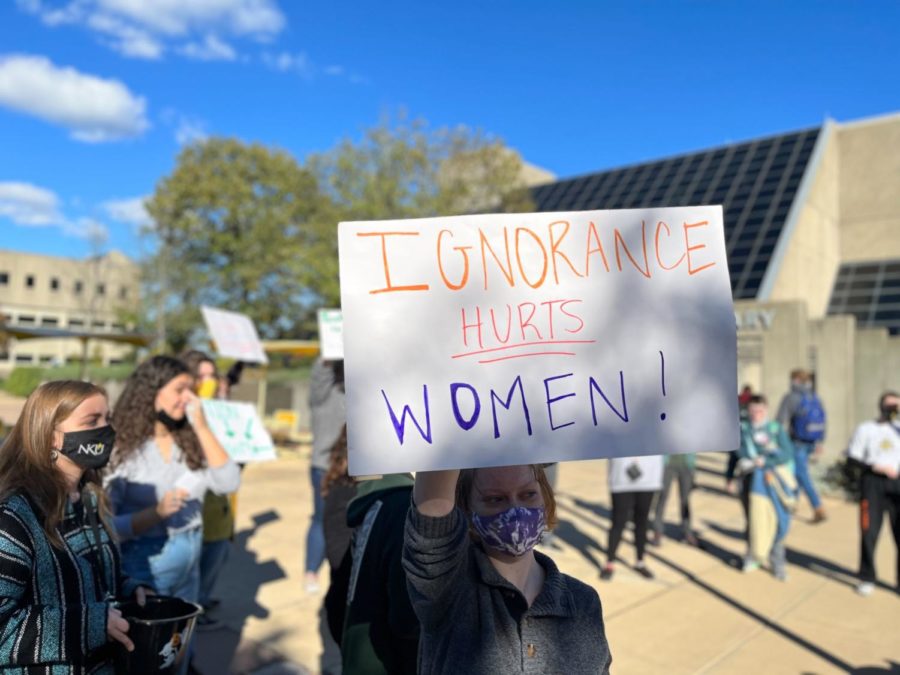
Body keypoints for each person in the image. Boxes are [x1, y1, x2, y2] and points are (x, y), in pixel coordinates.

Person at [0, 381, 152, 673]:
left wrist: (129, 590)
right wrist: (92, 624)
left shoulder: (90, 497)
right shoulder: (14, 516)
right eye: (91, 421)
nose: (106, 430)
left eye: (108, 418)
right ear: (51, 436)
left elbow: (93, 573)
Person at [404, 465, 611, 674]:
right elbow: (432, 514)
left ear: (545, 500)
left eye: (528, 494)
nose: (516, 511)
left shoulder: (583, 601)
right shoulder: (449, 591)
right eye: (495, 499)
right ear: (466, 510)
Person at [106, 355, 241, 605]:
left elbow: (229, 482)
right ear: (151, 392)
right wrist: (155, 513)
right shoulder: (121, 447)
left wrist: (201, 425)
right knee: (153, 643)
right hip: (143, 566)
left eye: (190, 389)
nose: (188, 398)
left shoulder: (189, 437)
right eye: (180, 390)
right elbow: (107, 528)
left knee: (184, 643)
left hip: (190, 562)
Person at [333, 471, 419, 674]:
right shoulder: (406, 508)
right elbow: (409, 618)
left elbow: (335, 599)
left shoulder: (381, 500)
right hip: (388, 660)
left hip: (362, 654)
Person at [180, 349, 237, 629]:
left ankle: (200, 602)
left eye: (212, 375)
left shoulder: (222, 413)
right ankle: (193, 611)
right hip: (192, 511)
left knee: (214, 556)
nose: (208, 381)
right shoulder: (179, 416)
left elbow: (232, 470)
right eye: (201, 376)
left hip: (219, 509)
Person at [847, 391, 900, 597]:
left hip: (897, 484)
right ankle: (867, 576)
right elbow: (853, 458)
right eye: (890, 407)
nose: (893, 411)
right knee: (869, 532)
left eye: (897, 407)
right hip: (873, 484)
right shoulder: (866, 429)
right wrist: (874, 466)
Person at [739, 395, 796, 581]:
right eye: (753, 410)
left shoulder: (775, 429)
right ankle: (753, 555)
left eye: (760, 410)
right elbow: (736, 452)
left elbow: (787, 453)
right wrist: (730, 476)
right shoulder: (743, 429)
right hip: (749, 479)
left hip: (772, 481)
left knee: (776, 520)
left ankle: (777, 562)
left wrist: (767, 460)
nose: (757, 414)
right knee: (752, 520)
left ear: (767, 410)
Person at [306, 358, 346, 593]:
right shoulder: (322, 395)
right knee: (321, 519)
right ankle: (311, 570)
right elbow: (321, 369)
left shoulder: (360, 390)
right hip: (324, 467)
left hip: (354, 471)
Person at [602, 454, 664, 580]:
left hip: (648, 478)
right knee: (618, 522)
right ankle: (609, 562)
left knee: (642, 522)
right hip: (621, 477)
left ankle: (640, 562)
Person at [777, 369, 827, 523]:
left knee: (801, 474)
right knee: (798, 475)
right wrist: (820, 442)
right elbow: (824, 420)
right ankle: (794, 504)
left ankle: (818, 506)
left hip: (797, 442)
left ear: (795, 380)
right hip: (811, 441)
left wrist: (777, 440)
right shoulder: (814, 397)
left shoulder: (791, 397)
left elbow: (780, 421)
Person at [651, 453, 698, 547]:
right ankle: (657, 531)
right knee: (662, 497)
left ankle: (687, 531)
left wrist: (693, 466)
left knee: (685, 500)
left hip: (686, 463)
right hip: (667, 463)